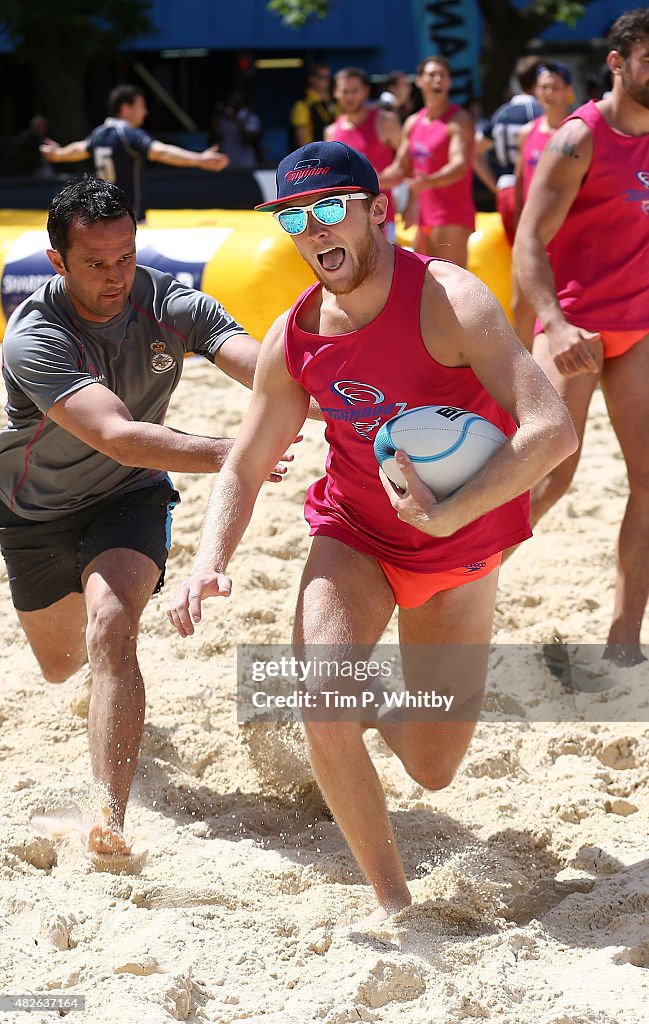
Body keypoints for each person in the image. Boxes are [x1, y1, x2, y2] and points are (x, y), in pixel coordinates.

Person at [167, 140, 577, 922]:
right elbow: (246, 463)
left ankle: (370, 704)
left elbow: (550, 430)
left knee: (432, 769)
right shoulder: (293, 338)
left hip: (460, 546)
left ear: (377, 211)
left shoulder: (449, 300)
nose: (312, 229)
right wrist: (209, 561)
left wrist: (450, 511)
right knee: (323, 698)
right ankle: (395, 904)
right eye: (293, 216)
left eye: (328, 209)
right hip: (353, 532)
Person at [0, 175, 290, 864]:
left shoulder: (160, 295)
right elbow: (120, 435)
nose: (115, 275)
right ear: (57, 262)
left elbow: (247, 357)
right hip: (33, 515)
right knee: (60, 663)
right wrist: (235, 452)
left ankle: (107, 811)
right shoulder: (33, 337)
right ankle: (105, 710)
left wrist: (305, 389)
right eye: (96, 263)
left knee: (112, 626)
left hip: (128, 498)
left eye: (125, 256)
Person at [513, 8, 649, 667]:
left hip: (638, 333)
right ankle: (451, 583)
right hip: (572, 329)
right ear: (617, 64)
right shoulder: (578, 138)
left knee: (648, 481)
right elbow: (526, 242)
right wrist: (555, 321)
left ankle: (623, 643)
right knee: (549, 477)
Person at [40, 84, 229, 222]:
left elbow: (79, 149)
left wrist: (58, 154)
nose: (145, 112)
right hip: (130, 218)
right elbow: (161, 152)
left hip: (101, 217)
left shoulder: (99, 134)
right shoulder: (128, 134)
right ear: (125, 108)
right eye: (141, 105)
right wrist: (199, 159)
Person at [390, 55, 476, 267]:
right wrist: (366, 178)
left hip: (451, 214)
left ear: (449, 82)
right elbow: (401, 169)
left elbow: (459, 166)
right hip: (424, 215)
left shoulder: (458, 119)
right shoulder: (413, 122)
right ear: (419, 81)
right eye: (432, 75)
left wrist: (427, 182)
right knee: (424, 285)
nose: (438, 80)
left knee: (453, 285)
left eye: (443, 76)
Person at [512, 61, 574, 348]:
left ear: (568, 93)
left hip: (566, 232)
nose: (549, 93)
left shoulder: (577, 134)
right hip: (530, 234)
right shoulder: (527, 133)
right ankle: (526, 371)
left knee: (565, 305)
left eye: (555, 87)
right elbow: (519, 183)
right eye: (544, 87)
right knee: (520, 305)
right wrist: (517, 230)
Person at [324, 67, 402, 241]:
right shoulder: (332, 132)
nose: (349, 97)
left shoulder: (385, 121)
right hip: (345, 224)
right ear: (336, 93)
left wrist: (386, 178)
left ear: (366, 91)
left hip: (381, 218)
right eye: (345, 91)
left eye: (354, 91)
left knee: (385, 268)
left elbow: (408, 159)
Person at [474, 56, 543, 246]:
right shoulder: (540, 112)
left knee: (517, 255)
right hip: (531, 192)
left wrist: (497, 187)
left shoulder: (501, 113)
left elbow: (475, 152)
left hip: (506, 189)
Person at [289, 64, 337, 149]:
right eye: (322, 77)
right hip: (315, 157)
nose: (327, 80)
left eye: (328, 77)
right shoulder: (302, 106)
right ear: (312, 79)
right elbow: (302, 144)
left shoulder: (335, 102)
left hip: (336, 153)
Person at [211, 91, 262, 169]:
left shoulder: (249, 116)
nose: (234, 102)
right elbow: (214, 137)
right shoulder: (223, 117)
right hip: (226, 160)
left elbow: (251, 138)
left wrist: (235, 119)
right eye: (232, 100)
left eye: (237, 100)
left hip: (245, 160)